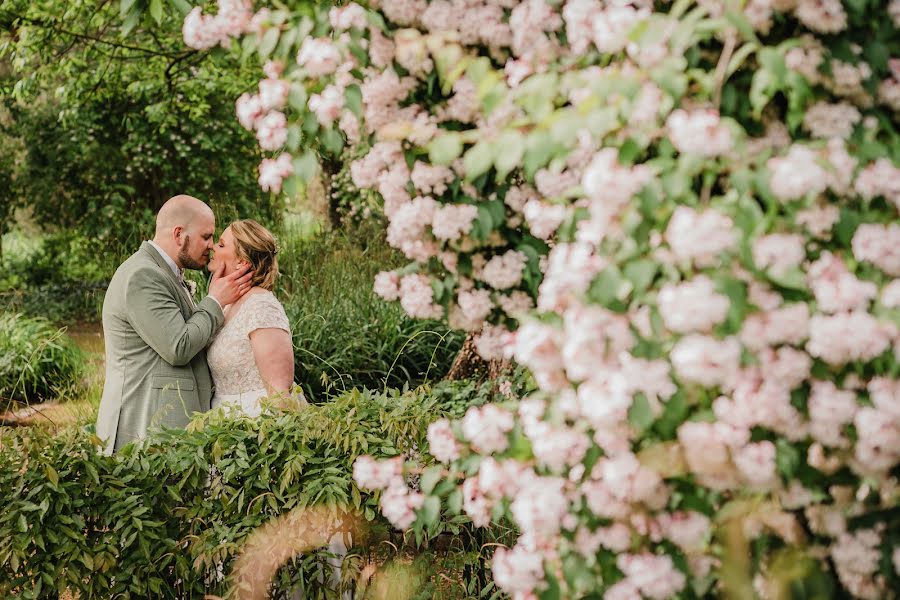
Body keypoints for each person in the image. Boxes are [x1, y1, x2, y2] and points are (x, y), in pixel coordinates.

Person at [95, 195, 252, 454]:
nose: (212, 246)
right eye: (206, 237)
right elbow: (178, 346)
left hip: (164, 429)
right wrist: (214, 301)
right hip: (143, 429)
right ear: (179, 234)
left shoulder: (165, 273)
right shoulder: (143, 275)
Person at [206, 219, 302, 416]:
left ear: (242, 262)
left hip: (257, 424)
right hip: (223, 423)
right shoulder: (227, 305)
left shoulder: (261, 306)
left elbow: (280, 391)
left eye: (222, 244)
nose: (213, 247)